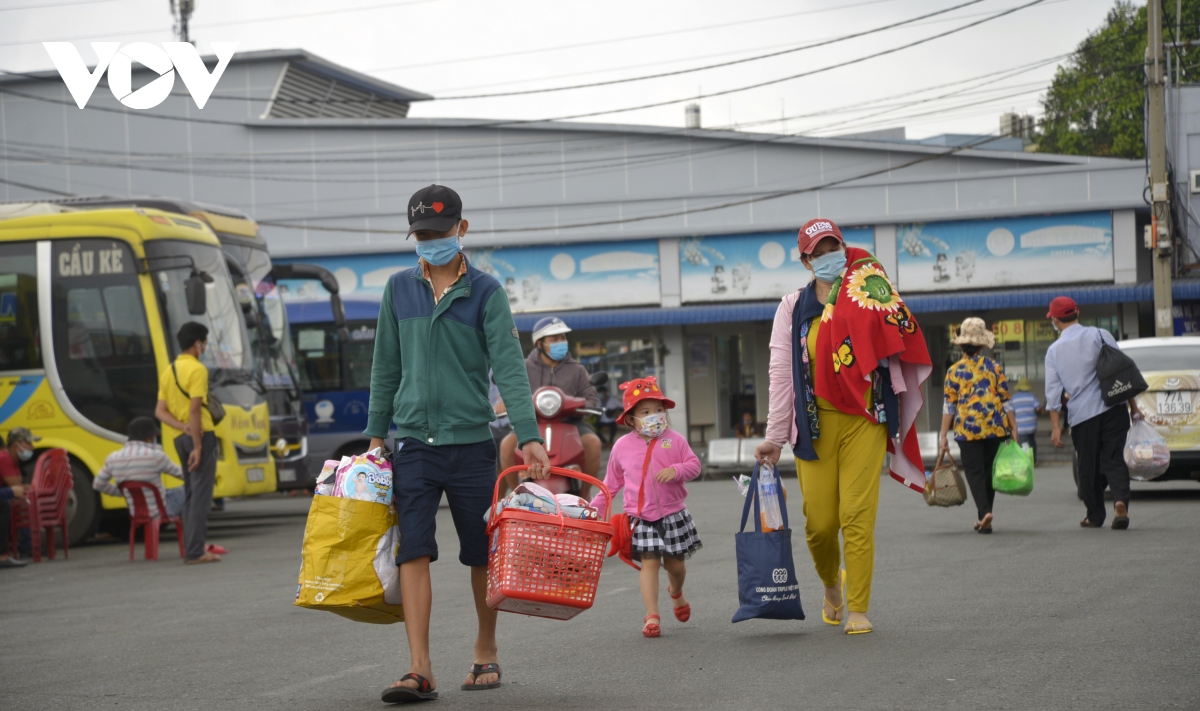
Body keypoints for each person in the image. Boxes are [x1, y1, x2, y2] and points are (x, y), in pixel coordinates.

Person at [366, 184, 550, 703]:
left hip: (472, 443)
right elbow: (385, 367)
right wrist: (377, 437)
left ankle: (485, 649)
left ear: (461, 231)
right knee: (413, 551)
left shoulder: (487, 292)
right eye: (420, 235)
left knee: (481, 553)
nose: (429, 243)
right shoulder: (397, 290)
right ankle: (419, 667)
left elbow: (510, 369)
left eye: (438, 234)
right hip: (414, 447)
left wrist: (529, 436)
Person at [756, 218, 931, 636]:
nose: (826, 257)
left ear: (843, 248)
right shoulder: (792, 308)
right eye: (817, 252)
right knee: (818, 525)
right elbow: (781, 373)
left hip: (864, 420)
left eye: (832, 247)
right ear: (805, 261)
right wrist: (775, 436)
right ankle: (833, 585)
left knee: (856, 514)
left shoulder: (869, 294)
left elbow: (899, 336)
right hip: (814, 426)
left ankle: (858, 607)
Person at [590, 376, 702, 638]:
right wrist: (594, 507)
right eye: (646, 412)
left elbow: (695, 466)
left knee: (675, 566)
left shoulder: (674, 440)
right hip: (640, 518)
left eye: (659, 410)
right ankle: (652, 615)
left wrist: (677, 470)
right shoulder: (622, 446)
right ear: (631, 419)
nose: (655, 416)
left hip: (673, 514)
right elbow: (611, 483)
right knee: (649, 562)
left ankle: (676, 593)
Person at [1044, 296, 1132, 530]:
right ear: (1077, 313)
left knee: (1088, 466)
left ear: (1055, 320)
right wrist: (1134, 406)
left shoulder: (1054, 351)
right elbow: (1122, 370)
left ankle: (1094, 516)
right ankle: (1120, 501)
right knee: (1114, 459)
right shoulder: (1101, 334)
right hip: (1114, 408)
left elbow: (1053, 394)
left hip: (1084, 416)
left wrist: (1055, 427)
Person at [498, 317, 600, 494]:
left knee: (593, 443)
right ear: (539, 344)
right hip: (531, 423)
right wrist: (502, 403)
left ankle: (585, 493)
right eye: (554, 339)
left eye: (563, 338)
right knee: (507, 445)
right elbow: (509, 391)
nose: (561, 342)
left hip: (571, 423)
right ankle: (516, 493)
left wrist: (585, 404)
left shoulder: (577, 369)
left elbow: (591, 397)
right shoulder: (524, 367)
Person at [938, 318, 1017, 534]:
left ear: (961, 345)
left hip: (967, 430)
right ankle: (985, 516)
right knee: (989, 471)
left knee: (974, 472)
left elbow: (949, 406)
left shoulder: (954, 371)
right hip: (995, 427)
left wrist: (943, 435)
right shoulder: (994, 367)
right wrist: (1014, 427)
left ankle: (984, 513)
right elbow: (1006, 399)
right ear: (982, 345)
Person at [155, 322, 224, 565]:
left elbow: (160, 412)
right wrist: (197, 444)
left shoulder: (169, 371)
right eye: (204, 343)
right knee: (202, 495)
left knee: (191, 493)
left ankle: (191, 548)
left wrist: (181, 428)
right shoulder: (197, 370)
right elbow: (195, 409)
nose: (205, 347)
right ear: (197, 344)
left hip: (179, 438)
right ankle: (195, 552)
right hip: (200, 436)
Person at [92, 417, 187, 520]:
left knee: (169, 491)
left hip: (135, 513)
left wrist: (125, 492)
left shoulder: (113, 458)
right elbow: (184, 475)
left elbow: (98, 484)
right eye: (155, 436)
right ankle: (189, 533)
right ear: (149, 437)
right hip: (160, 511)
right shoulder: (156, 456)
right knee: (189, 489)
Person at [1, 427, 39, 558]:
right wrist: (23, 487)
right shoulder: (4, 458)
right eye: (28, 443)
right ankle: (26, 547)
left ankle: (28, 545)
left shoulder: (13, 460)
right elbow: (18, 488)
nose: (32, 447)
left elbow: (21, 485)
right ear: (17, 445)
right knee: (21, 501)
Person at [1011, 377, 1043, 464]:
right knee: (1032, 442)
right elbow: (1038, 408)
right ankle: (1034, 460)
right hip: (1031, 425)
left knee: (1022, 443)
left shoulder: (1014, 398)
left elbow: (1011, 411)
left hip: (1020, 425)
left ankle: (1024, 461)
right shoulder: (1032, 397)